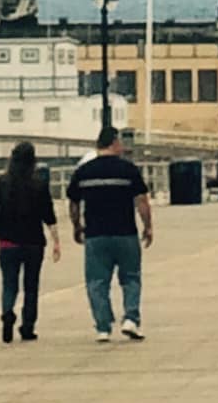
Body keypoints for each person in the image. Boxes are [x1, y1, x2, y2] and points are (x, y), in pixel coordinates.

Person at [67, 126, 153, 343]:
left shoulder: (83, 172)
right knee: (131, 278)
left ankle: (103, 327)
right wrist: (148, 226)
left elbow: (74, 203)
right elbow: (141, 201)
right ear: (114, 143)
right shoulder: (128, 169)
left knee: (97, 281)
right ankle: (131, 319)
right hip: (125, 232)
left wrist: (77, 226)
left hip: (96, 235)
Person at [0, 142, 61, 344]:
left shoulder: (1, 183)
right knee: (31, 286)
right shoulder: (39, 184)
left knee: (9, 284)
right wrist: (56, 241)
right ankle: (28, 327)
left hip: (8, 241)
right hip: (34, 242)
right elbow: (48, 215)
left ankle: (7, 313)